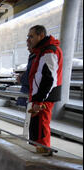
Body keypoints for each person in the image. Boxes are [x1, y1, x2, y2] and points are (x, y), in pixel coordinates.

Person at [26, 25, 63, 153]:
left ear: (41, 35)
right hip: (40, 97)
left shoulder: (49, 52)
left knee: (41, 129)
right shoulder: (42, 51)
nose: (29, 39)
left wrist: (40, 101)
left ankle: (43, 153)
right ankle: (37, 152)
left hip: (44, 99)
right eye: (28, 36)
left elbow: (49, 79)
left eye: (31, 36)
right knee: (36, 129)